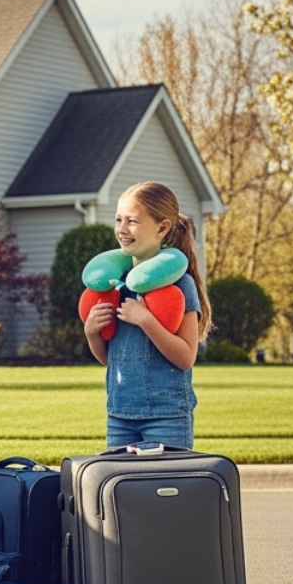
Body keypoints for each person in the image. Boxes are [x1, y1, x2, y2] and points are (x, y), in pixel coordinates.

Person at [82, 181, 211, 449]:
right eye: (118, 220)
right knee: (121, 490)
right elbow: (110, 359)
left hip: (166, 416)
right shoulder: (116, 284)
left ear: (162, 228)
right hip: (119, 415)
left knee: (166, 489)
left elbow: (186, 357)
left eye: (132, 221)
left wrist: (145, 319)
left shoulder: (180, 285)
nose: (121, 229)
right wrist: (91, 332)